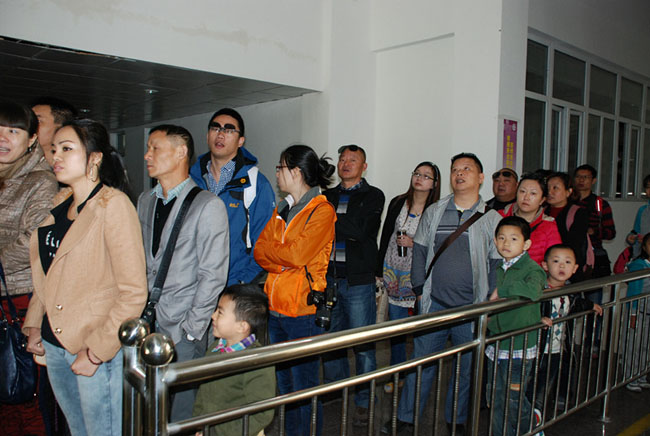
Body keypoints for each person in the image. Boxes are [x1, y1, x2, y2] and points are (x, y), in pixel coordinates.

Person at [23, 118, 148, 436]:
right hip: (54, 342)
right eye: (54, 149)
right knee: (76, 430)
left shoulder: (113, 205)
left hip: (93, 343)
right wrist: (35, 322)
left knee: (102, 431)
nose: (56, 157)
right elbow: (49, 274)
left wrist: (95, 351)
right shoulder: (59, 205)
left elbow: (133, 292)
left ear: (94, 158)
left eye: (67, 149)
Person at [383, 153, 502, 435]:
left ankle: (456, 420)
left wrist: (489, 300)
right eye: (455, 169)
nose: (459, 173)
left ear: (480, 178)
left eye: (467, 169)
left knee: (464, 368)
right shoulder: (435, 211)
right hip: (434, 304)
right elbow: (420, 251)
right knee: (421, 364)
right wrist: (419, 289)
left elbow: (496, 262)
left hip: (471, 308)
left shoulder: (492, 218)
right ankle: (406, 418)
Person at [138, 124, 230, 421]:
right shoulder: (145, 200)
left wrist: (191, 329)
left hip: (183, 328)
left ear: (181, 153)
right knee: (149, 409)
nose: (147, 155)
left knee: (181, 415)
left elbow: (213, 275)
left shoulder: (208, 205)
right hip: (147, 323)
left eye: (155, 148)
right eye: (148, 148)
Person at [254, 144, 336, 436]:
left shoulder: (322, 210)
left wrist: (280, 257)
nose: (277, 173)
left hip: (302, 311)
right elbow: (259, 251)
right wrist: (283, 260)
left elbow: (298, 255)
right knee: (286, 387)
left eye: (280, 167)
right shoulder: (283, 208)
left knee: (304, 387)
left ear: (296, 172)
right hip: (276, 309)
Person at [0, 100, 58, 436]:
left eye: (13, 131)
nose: (3, 138)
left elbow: (33, 239)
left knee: (22, 393)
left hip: (20, 303)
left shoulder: (40, 181)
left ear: (31, 139)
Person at [323, 144, 385, 426]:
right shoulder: (327, 196)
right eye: (342, 159)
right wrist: (344, 223)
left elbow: (362, 231)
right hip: (328, 279)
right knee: (330, 342)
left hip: (358, 280)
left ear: (364, 166)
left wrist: (330, 220)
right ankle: (337, 389)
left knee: (362, 344)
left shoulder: (373, 195)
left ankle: (364, 399)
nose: (346, 164)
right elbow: (319, 230)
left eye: (353, 160)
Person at [190, 108, 275, 286]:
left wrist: (242, 282)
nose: (220, 135)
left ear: (240, 141)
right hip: (192, 283)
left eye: (229, 130)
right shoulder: (191, 180)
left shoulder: (256, 184)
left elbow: (264, 242)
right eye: (215, 128)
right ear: (207, 135)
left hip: (234, 284)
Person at [377, 161, 440, 394]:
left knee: (422, 331)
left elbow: (438, 245)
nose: (419, 178)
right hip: (394, 272)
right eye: (417, 173)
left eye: (426, 176)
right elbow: (386, 235)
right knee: (397, 331)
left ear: (434, 184)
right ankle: (397, 374)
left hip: (419, 276)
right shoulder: (398, 202)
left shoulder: (436, 210)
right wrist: (378, 269)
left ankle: (418, 376)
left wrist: (414, 243)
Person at [485, 216, 546, 436]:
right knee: (494, 397)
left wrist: (502, 291)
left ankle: (531, 428)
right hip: (497, 343)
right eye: (501, 238)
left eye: (513, 239)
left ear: (526, 244)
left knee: (513, 398)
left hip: (519, 346)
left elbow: (533, 291)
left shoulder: (532, 269)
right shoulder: (499, 266)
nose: (506, 243)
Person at [192, 284, 275, 436]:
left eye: (220, 312)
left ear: (242, 326)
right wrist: (198, 425)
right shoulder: (215, 349)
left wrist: (218, 433)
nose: (213, 316)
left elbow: (261, 413)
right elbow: (203, 394)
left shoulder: (256, 362)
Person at [531, 245, 602, 412]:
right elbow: (526, 309)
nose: (562, 266)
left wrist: (590, 305)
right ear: (545, 265)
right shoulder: (537, 290)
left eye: (568, 262)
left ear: (575, 268)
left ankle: (536, 415)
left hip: (557, 349)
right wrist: (537, 319)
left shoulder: (570, 291)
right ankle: (529, 417)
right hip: (537, 349)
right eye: (556, 261)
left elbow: (577, 304)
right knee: (532, 385)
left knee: (544, 387)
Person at [500, 172, 562, 265]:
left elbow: (555, 260)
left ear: (542, 200)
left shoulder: (548, 226)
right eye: (522, 191)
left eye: (533, 193)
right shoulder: (499, 217)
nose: (526, 197)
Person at [545, 172, 591, 282]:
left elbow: (574, 245)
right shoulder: (541, 212)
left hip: (567, 270)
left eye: (555, 188)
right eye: (548, 188)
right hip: (546, 268)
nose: (550, 192)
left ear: (568, 192)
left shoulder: (578, 213)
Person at [621, 233, 650, 392]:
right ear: (644, 247)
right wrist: (633, 314)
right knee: (633, 346)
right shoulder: (639, 266)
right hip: (638, 311)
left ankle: (641, 375)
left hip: (648, 313)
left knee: (645, 346)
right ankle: (630, 377)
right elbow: (633, 291)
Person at [30, 97, 78, 168]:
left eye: (38, 121)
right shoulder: (21, 162)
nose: (31, 126)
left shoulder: (73, 167)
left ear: (61, 128)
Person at [625, 174, 650, 257]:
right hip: (643, 258)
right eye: (648, 187)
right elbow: (635, 231)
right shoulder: (643, 210)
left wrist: (647, 240)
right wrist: (631, 238)